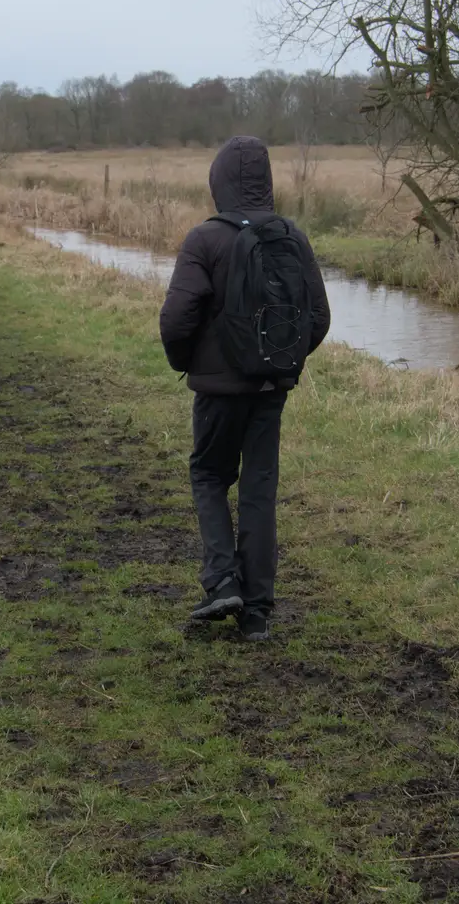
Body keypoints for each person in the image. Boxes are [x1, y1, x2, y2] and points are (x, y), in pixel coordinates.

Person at [158, 136, 331, 641]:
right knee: (259, 489)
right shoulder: (293, 238)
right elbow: (317, 318)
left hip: (218, 393)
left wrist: (189, 365)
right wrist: (281, 362)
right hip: (270, 389)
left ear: (219, 182)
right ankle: (256, 611)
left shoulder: (205, 239)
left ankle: (221, 582)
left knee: (209, 476)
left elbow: (176, 319)